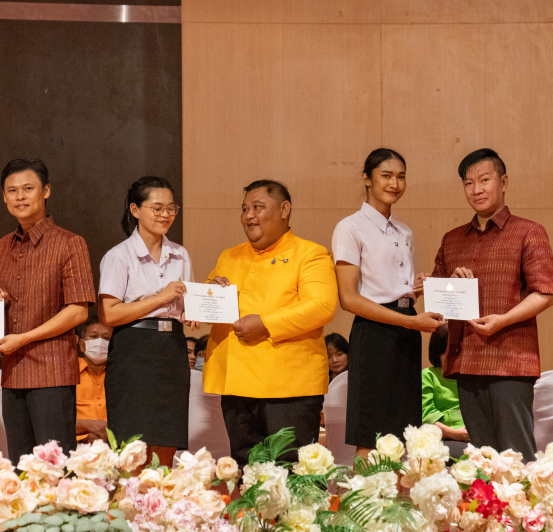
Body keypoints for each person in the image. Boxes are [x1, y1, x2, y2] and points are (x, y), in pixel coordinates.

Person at [430, 148, 553, 460]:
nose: (476, 189)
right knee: (481, 458)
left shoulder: (529, 231)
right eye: (468, 183)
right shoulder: (452, 239)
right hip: (465, 360)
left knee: (516, 455)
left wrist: (503, 320)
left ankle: (525, 496)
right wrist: (449, 285)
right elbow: (439, 299)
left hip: (511, 361)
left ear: (503, 182)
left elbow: (546, 292)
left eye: (484, 180)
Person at [204, 180, 337, 466]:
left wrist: (265, 323)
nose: (249, 215)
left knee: (292, 471)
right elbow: (206, 304)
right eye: (244, 209)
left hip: (289, 387)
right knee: (246, 470)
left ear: (284, 209)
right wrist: (209, 292)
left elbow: (322, 306)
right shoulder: (229, 256)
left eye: (258, 207)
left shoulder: (310, 253)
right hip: (235, 383)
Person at [331, 148, 444, 455]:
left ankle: (398, 489)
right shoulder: (350, 227)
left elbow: (390, 288)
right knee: (372, 434)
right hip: (374, 334)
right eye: (386, 175)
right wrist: (411, 321)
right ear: (367, 179)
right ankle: (368, 490)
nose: (394, 183)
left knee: (404, 432)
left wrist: (414, 289)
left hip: (407, 332)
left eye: (401, 177)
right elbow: (349, 299)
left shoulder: (404, 232)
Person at [0, 158, 94, 461]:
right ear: (4, 197)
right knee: (20, 468)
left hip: (52, 372)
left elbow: (78, 311)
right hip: (12, 373)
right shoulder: (1, 247)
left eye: (28, 188)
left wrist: (24, 338)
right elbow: (1, 305)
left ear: (45, 191)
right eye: (12, 190)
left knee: (54, 467)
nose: (20, 196)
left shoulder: (70, 243)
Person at [98, 176, 194, 466]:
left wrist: (204, 302)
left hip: (172, 350)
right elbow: (108, 314)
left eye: (171, 208)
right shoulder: (119, 255)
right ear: (135, 210)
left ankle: (161, 494)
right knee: (132, 446)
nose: (166, 214)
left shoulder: (180, 254)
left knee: (167, 440)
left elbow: (184, 303)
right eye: (157, 208)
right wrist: (160, 298)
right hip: (133, 350)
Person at [421, 325, 469, 442]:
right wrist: (454, 434)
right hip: (443, 437)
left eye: (460, 351)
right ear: (438, 351)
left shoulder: (471, 377)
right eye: (451, 353)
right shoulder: (428, 376)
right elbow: (426, 416)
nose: (457, 357)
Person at [76, 318, 112, 443]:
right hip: (75, 445)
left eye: (106, 338)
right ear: (82, 345)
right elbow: (56, 421)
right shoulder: (69, 373)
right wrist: (87, 426)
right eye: (94, 336)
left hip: (115, 444)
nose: (100, 342)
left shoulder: (119, 376)